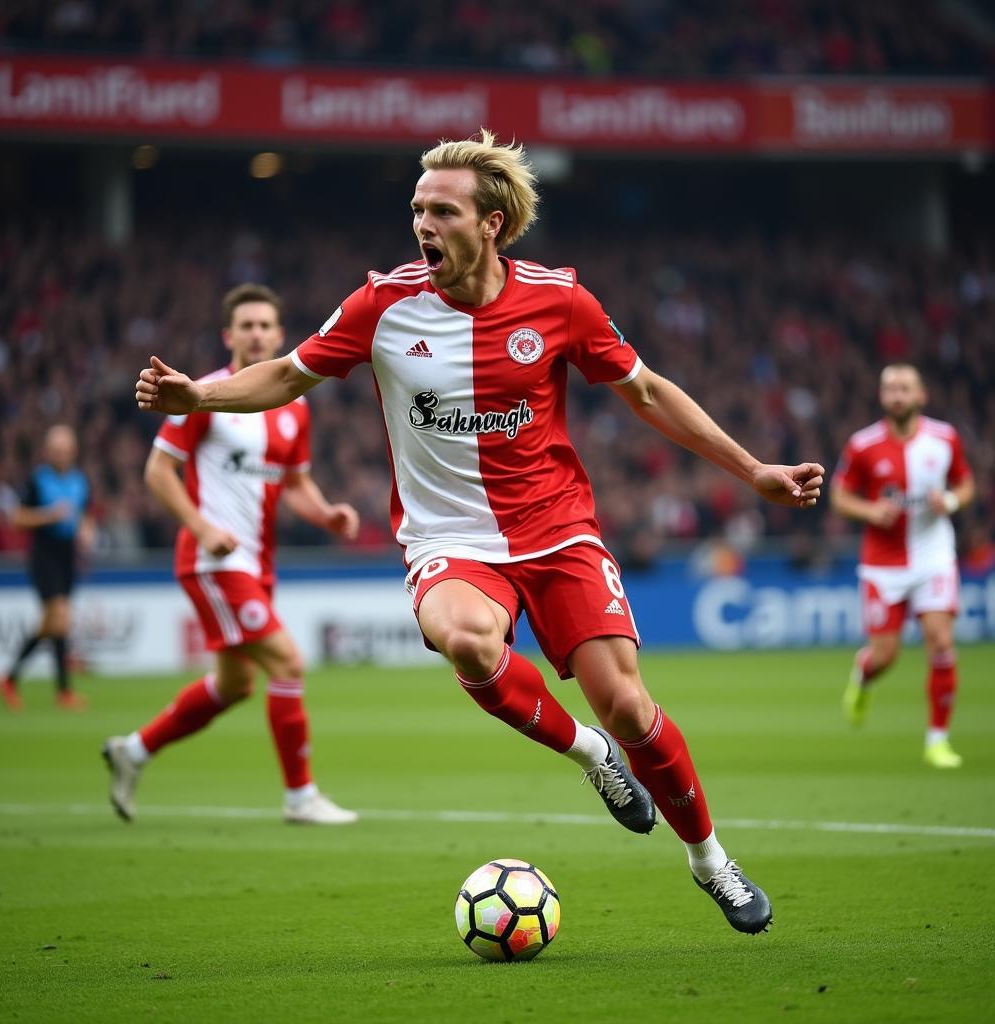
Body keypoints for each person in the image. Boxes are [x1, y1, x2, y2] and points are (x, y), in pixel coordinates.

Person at [135, 132, 824, 934]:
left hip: (559, 530)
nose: (422, 224)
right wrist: (201, 399)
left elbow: (647, 394)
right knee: (466, 641)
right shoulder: (380, 306)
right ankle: (588, 757)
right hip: (450, 541)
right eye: (417, 209)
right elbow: (288, 373)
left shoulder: (562, 300)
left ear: (491, 223)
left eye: (442, 210)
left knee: (630, 708)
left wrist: (754, 471)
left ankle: (711, 860)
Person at [105, 284, 360, 826]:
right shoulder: (202, 395)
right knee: (288, 662)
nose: (257, 333)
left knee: (235, 684)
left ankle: (133, 751)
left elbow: (296, 484)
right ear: (229, 335)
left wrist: (326, 514)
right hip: (214, 561)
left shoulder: (292, 405)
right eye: (246, 325)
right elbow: (157, 472)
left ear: (279, 333)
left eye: (266, 325)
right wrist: (202, 527)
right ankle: (300, 797)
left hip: (256, 563)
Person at [833, 363, 975, 768]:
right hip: (883, 566)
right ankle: (863, 676)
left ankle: (937, 740)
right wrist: (871, 510)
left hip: (934, 556)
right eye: (890, 388)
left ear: (921, 395)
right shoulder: (862, 445)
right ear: (882, 397)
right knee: (885, 656)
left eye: (905, 388)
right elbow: (841, 498)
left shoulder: (944, 438)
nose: (897, 394)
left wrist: (949, 501)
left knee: (942, 642)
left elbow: (965, 485)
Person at [0, 424, 94, 711]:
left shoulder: (80, 480)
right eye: (57, 450)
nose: (62, 454)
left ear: (73, 451)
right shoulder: (37, 481)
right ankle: (62, 691)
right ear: (49, 452)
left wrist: (86, 530)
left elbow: (85, 515)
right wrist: (49, 516)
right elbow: (17, 518)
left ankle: (10, 677)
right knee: (60, 617)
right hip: (44, 554)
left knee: (52, 622)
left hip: (67, 556)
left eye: (66, 450)